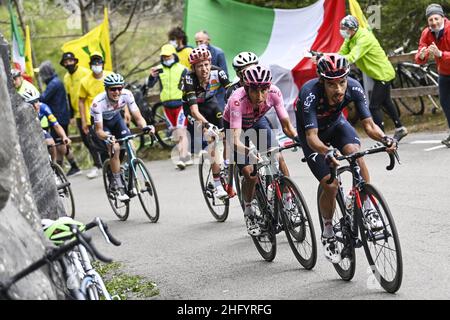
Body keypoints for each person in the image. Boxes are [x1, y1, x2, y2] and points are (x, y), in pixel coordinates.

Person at [295, 54, 397, 264]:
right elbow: (312, 137)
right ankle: (328, 230)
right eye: (332, 84)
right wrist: (327, 152)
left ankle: (366, 206)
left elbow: (369, 126)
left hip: (336, 127)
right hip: (313, 137)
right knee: (331, 186)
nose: (339, 89)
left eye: (342, 82)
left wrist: (386, 138)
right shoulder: (310, 93)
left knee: (356, 154)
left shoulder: (354, 87)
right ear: (322, 81)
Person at [225, 64, 299, 236]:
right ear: (246, 88)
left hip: (258, 121)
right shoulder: (237, 100)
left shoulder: (274, 92)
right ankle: (249, 210)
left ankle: (288, 201)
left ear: (269, 87)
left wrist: (299, 139)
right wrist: (249, 152)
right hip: (236, 128)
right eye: (255, 91)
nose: (260, 96)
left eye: (264, 90)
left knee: (278, 157)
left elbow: (287, 127)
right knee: (250, 173)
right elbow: (235, 139)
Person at [338, 15, 408, 142]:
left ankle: (382, 138)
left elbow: (352, 57)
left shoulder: (364, 38)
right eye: (342, 28)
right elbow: (341, 54)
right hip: (377, 74)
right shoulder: (350, 38)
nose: (342, 31)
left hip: (383, 73)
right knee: (386, 102)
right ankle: (400, 128)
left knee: (374, 107)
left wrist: (332, 59)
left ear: (353, 28)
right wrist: (326, 57)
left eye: (345, 28)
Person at [91, 73, 154, 201]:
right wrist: (107, 138)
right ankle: (119, 186)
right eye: (113, 89)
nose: (117, 92)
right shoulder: (98, 103)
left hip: (116, 120)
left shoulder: (127, 94)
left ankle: (126, 172)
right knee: (116, 148)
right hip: (103, 126)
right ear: (106, 89)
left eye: (119, 88)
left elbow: (138, 117)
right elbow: (99, 130)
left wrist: (145, 127)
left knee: (131, 146)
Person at [181, 46, 232, 198]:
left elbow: (231, 93)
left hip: (211, 103)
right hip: (193, 109)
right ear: (193, 68)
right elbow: (195, 112)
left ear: (210, 63)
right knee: (212, 140)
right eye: (199, 66)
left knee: (227, 134)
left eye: (206, 64)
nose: (204, 69)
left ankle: (227, 165)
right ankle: (217, 185)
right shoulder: (189, 78)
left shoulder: (218, 72)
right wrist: (207, 126)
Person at [147, 44, 190, 170]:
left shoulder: (182, 69)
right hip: (166, 105)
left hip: (181, 104)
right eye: (164, 57)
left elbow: (189, 85)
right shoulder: (159, 69)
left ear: (174, 55)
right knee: (175, 132)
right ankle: (185, 154)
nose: (166, 58)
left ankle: (182, 158)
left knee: (181, 130)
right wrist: (151, 76)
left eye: (168, 56)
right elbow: (150, 85)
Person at [415, 4, 450, 147]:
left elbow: (440, 54)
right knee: (445, 103)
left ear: (442, 17)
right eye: (431, 20)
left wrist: (441, 54)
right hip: (444, 73)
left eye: (436, 18)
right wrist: (422, 55)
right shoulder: (427, 33)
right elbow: (419, 55)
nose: (434, 22)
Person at [38, 60, 81, 177]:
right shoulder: (56, 82)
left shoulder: (53, 84)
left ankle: (63, 168)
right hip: (61, 116)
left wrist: (36, 96)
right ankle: (70, 167)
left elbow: (43, 98)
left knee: (59, 144)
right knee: (60, 143)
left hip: (59, 117)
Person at [78, 52, 113, 179]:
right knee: (102, 146)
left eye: (98, 62)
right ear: (90, 65)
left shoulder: (110, 76)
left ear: (103, 64)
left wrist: (125, 111)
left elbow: (121, 93)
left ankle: (118, 167)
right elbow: (81, 101)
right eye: (94, 63)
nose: (96, 65)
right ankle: (109, 173)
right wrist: (83, 121)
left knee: (118, 143)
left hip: (112, 113)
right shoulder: (85, 81)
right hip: (95, 116)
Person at [61, 52, 96, 173]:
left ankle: (99, 164)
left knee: (94, 139)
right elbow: (69, 96)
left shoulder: (85, 72)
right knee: (86, 140)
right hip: (77, 113)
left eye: (70, 61)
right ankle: (98, 164)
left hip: (89, 110)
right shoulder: (66, 77)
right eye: (66, 62)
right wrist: (71, 116)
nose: (68, 64)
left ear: (75, 61)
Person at [20, 88, 71, 161]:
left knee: (51, 142)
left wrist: (64, 137)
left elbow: (56, 125)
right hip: (27, 131)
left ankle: (54, 164)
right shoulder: (23, 112)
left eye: (36, 101)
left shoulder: (43, 107)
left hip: (38, 128)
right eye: (31, 103)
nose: (35, 105)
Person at [195, 30, 229, 111]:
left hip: (217, 95)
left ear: (208, 40)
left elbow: (225, 74)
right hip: (201, 95)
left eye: (201, 41)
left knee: (218, 120)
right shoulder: (195, 54)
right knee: (199, 121)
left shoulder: (218, 53)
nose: (198, 44)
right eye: (196, 42)